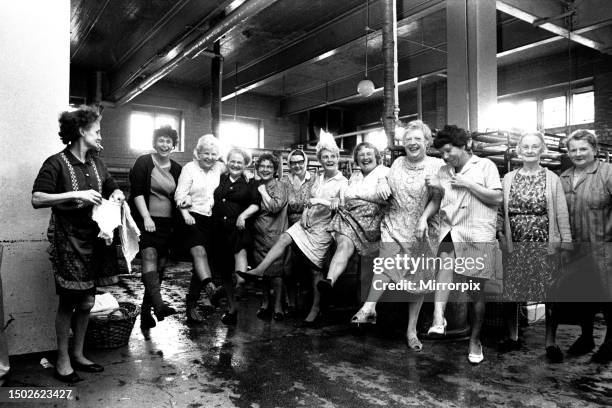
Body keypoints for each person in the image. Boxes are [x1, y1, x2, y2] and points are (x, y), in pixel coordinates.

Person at [32, 106, 125, 383]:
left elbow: (111, 187)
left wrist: (118, 194)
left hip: (95, 240)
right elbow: (37, 198)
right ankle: (62, 360)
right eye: (96, 130)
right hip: (68, 241)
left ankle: (79, 354)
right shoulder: (56, 163)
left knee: (87, 301)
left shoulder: (97, 162)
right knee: (69, 301)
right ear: (82, 131)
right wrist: (76, 194)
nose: (100, 135)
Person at [349, 121, 444, 351]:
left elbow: (439, 198)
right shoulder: (398, 163)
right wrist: (382, 180)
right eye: (408, 139)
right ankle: (369, 307)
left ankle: (411, 330)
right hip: (394, 222)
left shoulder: (437, 165)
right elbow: (384, 178)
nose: (412, 143)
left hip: (423, 226)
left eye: (417, 139)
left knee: (418, 281)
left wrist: (424, 217)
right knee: (386, 262)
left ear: (427, 142)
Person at [239, 132, 348, 326]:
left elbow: (339, 205)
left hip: (323, 227)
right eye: (324, 157)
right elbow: (307, 202)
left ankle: (314, 309)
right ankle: (259, 271)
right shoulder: (317, 178)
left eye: (332, 157)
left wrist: (320, 202)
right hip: (302, 222)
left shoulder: (341, 181)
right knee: (285, 244)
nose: (328, 160)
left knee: (314, 270)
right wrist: (307, 210)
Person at [426, 125, 503, 364]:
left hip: (476, 232)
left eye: (449, 151)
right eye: (442, 153)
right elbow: (438, 201)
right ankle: (438, 319)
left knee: (474, 291)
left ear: (464, 146)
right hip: (451, 229)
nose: (446, 157)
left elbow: (497, 198)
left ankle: (475, 340)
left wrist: (468, 184)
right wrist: (428, 206)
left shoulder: (485, 166)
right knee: (444, 269)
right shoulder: (443, 170)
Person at [497, 131, 572, 361]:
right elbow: (500, 211)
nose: (530, 150)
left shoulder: (552, 179)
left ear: (542, 150)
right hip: (515, 244)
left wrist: (565, 243)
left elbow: (561, 213)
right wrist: (500, 234)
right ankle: (513, 337)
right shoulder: (508, 178)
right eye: (525, 146)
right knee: (511, 293)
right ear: (519, 150)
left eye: (534, 146)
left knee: (550, 293)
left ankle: (550, 343)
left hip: (544, 244)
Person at [559, 129, 612, 363]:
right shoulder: (564, 178)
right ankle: (587, 337)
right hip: (576, 249)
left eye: (583, 149)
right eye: (573, 150)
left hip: (605, 247)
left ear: (595, 150)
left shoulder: (608, 173)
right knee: (582, 296)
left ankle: (610, 342)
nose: (578, 154)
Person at [128, 125, 182, 330]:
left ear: (173, 145)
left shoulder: (177, 169)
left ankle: (145, 311)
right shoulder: (143, 161)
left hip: (168, 225)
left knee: (159, 269)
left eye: (168, 141)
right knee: (149, 257)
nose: (165, 144)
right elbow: (137, 192)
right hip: (146, 221)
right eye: (161, 140)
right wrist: (146, 217)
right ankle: (159, 305)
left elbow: (181, 195)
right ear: (154, 142)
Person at [175, 134, 225, 323]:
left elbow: (235, 166)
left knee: (201, 265)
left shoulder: (219, 168)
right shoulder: (189, 168)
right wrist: (186, 215)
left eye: (213, 154)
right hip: (191, 217)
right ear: (198, 153)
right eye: (206, 153)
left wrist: (245, 173)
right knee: (199, 253)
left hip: (211, 219)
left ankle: (191, 304)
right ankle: (210, 287)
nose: (210, 157)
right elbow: (180, 195)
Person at [212, 148, 260, 325]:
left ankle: (239, 288)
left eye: (239, 162)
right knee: (225, 273)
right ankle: (232, 309)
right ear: (227, 161)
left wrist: (243, 216)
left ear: (245, 165)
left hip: (238, 230)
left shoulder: (250, 183)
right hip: (219, 230)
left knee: (240, 277)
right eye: (232, 161)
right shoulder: (219, 179)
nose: (235, 164)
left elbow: (256, 204)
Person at [252, 153, 289, 321]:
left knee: (276, 273)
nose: (265, 169)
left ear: (275, 170)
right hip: (258, 235)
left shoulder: (279, 186)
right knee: (263, 273)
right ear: (257, 168)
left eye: (269, 167)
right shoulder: (255, 184)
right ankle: (265, 303)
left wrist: (263, 192)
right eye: (262, 166)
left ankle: (278, 307)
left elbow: (275, 207)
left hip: (275, 234)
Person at [281, 149, 315, 316]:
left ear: (305, 162)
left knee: (307, 265)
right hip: (288, 226)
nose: (297, 165)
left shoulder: (314, 180)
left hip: (309, 226)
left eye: (300, 161)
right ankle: (291, 301)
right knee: (289, 266)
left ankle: (306, 302)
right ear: (289, 164)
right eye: (293, 162)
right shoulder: (283, 181)